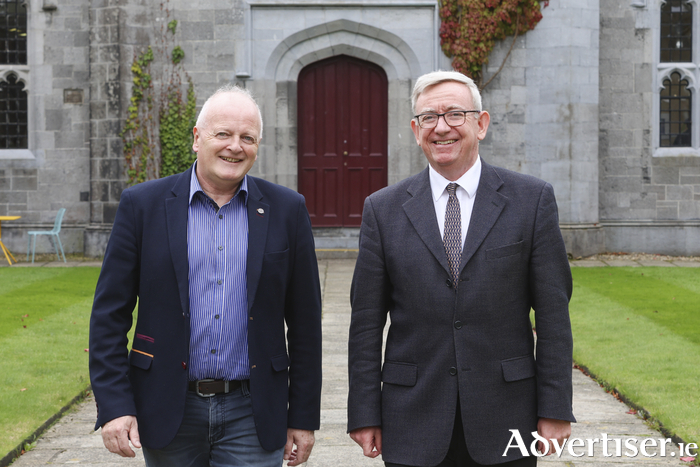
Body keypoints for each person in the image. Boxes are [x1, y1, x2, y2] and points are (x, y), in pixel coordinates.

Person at [347, 70, 575, 467]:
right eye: (428, 118)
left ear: (481, 124)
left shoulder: (531, 200)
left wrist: (555, 408)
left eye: (455, 114)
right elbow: (366, 323)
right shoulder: (381, 210)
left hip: (506, 417)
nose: (441, 128)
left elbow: (554, 316)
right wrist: (364, 412)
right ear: (416, 131)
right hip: (411, 419)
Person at [89, 85, 322, 467]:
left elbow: (305, 324)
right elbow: (109, 317)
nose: (235, 146)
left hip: (253, 410)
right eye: (223, 134)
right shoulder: (142, 206)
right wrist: (115, 405)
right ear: (198, 138)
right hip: (168, 406)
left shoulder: (287, 210)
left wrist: (302, 416)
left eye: (248, 137)